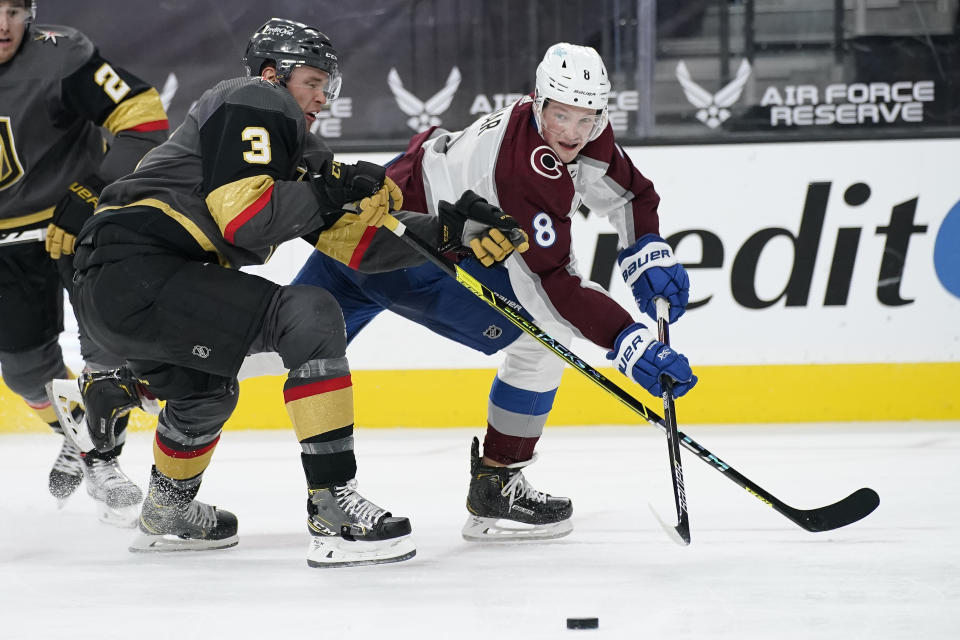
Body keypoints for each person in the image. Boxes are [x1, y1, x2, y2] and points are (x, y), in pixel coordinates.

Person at [64, 18, 527, 567]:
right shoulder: (255, 98)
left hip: (123, 283)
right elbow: (245, 217)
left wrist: (451, 235)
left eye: (327, 85)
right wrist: (332, 187)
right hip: (138, 264)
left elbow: (357, 247)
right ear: (272, 73)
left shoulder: (291, 143)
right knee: (307, 312)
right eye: (312, 81)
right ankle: (332, 508)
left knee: (205, 393)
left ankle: (167, 509)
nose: (322, 98)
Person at [290, 43, 697, 541]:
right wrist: (628, 341)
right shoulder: (523, 168)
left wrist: (647, 251)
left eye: (586, 118)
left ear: (601, 112)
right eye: (561, 115)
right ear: (539, 100)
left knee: (277, 338)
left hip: (368, 229)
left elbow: (630, 193)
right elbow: (551, 289)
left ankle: (170, 383)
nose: (572, 132)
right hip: (407, 254)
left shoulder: (574, 130)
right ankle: (498, 481)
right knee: (541, 336)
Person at [0, 0, 168, 526]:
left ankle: (102, 456)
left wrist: (91, 192)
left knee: (108, 348)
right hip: (6, 244)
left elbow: (145, 118)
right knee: (25, 371)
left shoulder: (61, 56)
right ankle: (79, 433)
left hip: (75, 227)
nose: (3, 25)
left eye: (12, 10)